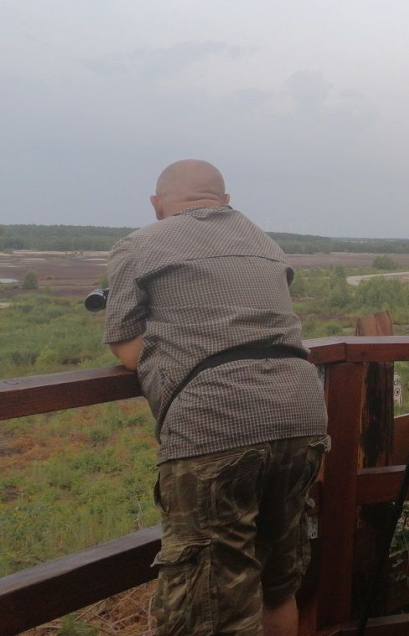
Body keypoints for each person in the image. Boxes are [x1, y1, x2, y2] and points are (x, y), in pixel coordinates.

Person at [104, 160, 329, 636]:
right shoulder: (263, 242)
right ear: (224, 202)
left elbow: (127, 349)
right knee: (276, 585)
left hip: (215, 424)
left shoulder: (139, 244)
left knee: (207, 605)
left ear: (157, 204)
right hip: (302, 414)